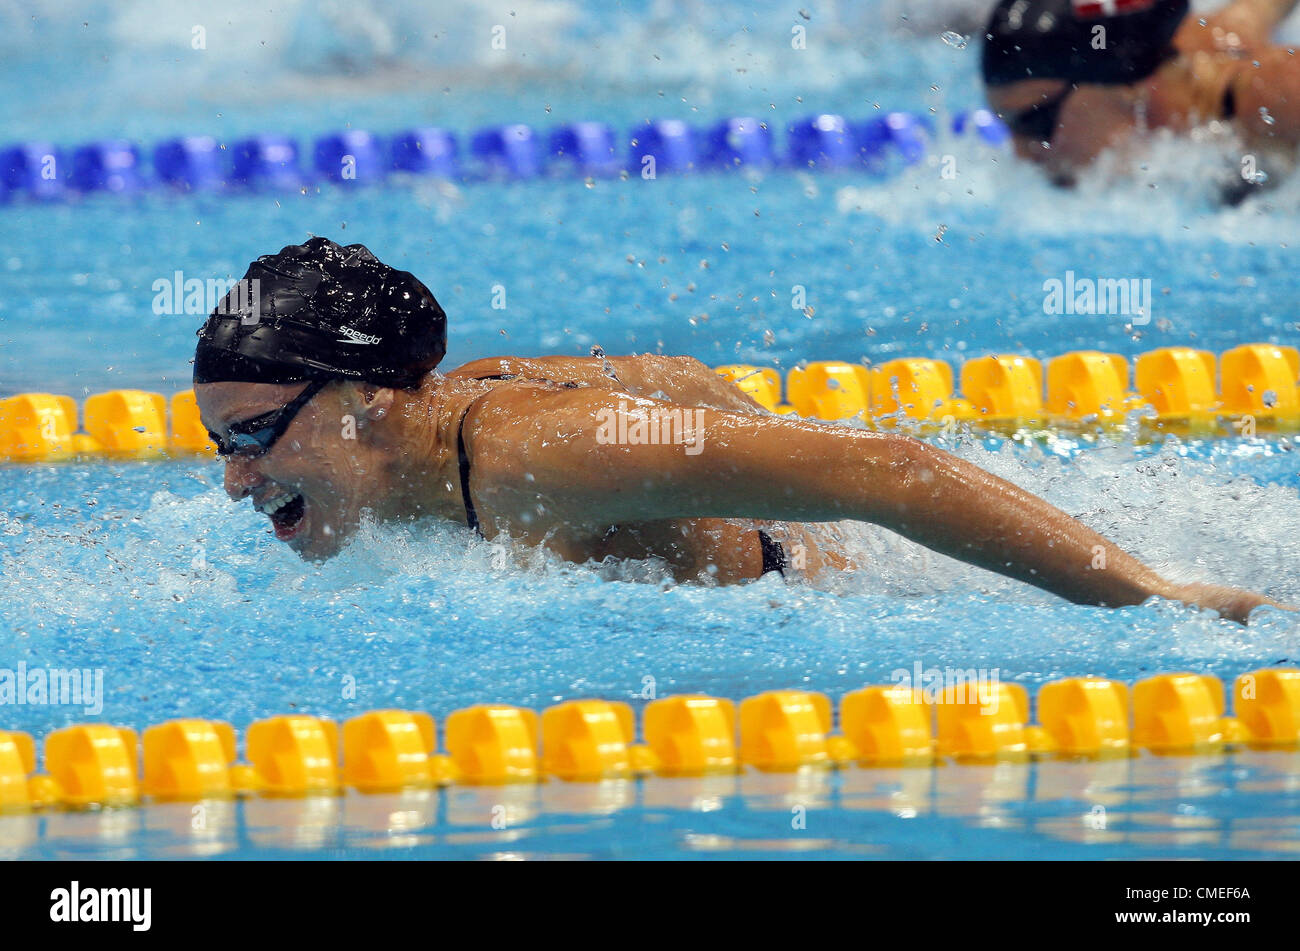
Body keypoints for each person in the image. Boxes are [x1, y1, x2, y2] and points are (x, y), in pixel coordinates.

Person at [194, 237, 1285, 622]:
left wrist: (1152, 595)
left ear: (360, 403)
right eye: (220, 449)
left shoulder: (538, 458)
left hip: (848, 587)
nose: (238, 488)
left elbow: (888, 469)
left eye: (252, 440)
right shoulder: (436, 415)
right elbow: (664, 374)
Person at [982, 0, 1300, 184]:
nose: (1021, 154)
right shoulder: (1193, 46)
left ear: (1126, 86)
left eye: (1036, 123)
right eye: (1004, 121)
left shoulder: (1276, 98)